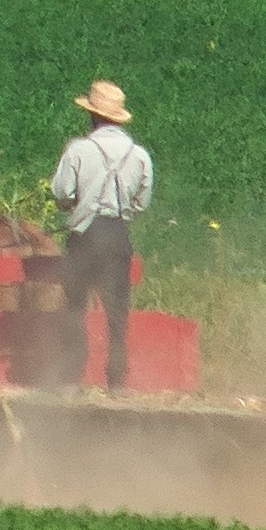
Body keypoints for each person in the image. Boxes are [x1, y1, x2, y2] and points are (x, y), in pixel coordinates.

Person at [46, 79, 151, 391]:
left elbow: (62, 193)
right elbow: (141, 203)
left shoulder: (79, 149)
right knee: (117, 312)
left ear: (93, 116)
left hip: (85, 234)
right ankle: (117, 383)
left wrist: (79, 202)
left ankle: (71, 379)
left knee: (75, 306)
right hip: (118, 234)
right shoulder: (139, 155)